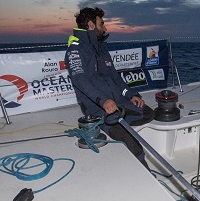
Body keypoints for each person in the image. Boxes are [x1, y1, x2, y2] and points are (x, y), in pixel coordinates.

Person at [65, 7, 154, 168]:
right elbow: (80, 80)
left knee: (148, 112)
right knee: (131, 141)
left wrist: (131, 94)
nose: (105, 28)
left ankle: (118, 120)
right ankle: (145, 173)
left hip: (117, 101)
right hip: (97, 107)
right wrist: (103, 101)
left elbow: (115, 78)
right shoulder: (75, 50)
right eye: (102, 24)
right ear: (91, 25)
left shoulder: (101, 49)